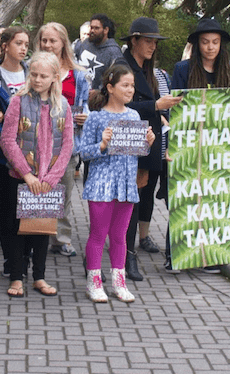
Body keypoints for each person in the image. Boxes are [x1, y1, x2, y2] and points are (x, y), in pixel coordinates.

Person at [0, 52, 74, 298]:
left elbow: (67, 145)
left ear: (55, 77)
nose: (38, 80)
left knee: (43, 229)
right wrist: (27, 174)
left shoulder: (63, 106)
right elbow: (7, 140)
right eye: (34, 74)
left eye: (43, 76)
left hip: (47, 181)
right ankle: (16, 276)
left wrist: (52, 177)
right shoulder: (18, 102)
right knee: (18, 228)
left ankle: (39, 277)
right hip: (21, 178)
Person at [80, 64, 155, 303]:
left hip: (126, 185)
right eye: (125, 85)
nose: (130, 90)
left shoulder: (134, 116)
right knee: (98, 234)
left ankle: (119, 283)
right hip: (101, 185)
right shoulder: (96, 118)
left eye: (132, 85)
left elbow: (136, 152)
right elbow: (84, 153)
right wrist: (101, 145)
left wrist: (148, 144)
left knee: (120, 236)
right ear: (110, 87)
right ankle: (93, 282)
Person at [171, 17, 230, 274]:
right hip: (190, 142)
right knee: (187, 198)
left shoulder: (229, 69)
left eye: (215, 42)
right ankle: (176, 253)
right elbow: (176, 105)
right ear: (197, 44)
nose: (210, 47)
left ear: (221, 44)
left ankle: (212, 254)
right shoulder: (183, 69)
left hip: (219, 145)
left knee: (216, 200)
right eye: (205, 42)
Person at [119, 17, 182, 280]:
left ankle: (125, 255)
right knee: (127, 206)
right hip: (129, 147)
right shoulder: (122, 67)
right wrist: (155, 106)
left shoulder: (147, 70)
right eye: (148, 41)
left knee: (137, 203)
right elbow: (117, 105)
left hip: (148, 144)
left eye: (155, 42)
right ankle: (125, 257)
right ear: (133, 40)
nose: (152, 46)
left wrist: (162, 116)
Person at [35, 22, 89, 258]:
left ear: (63, 43)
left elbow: (84, 103)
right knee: (36, 192)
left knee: (64, 194)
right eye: (44, 40)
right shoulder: (32, 68)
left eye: (52, 41)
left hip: (67, 144)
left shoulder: (77, 74)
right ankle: (35, 236)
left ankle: (61, 239)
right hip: (36, 142)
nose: (48, 45)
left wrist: (85, 116)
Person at [0, 26, 30, 278]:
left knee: (26, 206)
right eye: (18, 43)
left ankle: (24, 255)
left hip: (31, 153)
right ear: (5, 46)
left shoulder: (31, 73)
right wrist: (6, 126)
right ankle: (10, 257)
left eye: (26, 44)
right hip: (1, 154)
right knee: (7, 206)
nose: (23, 48)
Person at [74, 14, 124, 88]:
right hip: (78, 90)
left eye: (96, 28)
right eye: (91, 27)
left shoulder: (113, 51)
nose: (92, 31)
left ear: (105, 30)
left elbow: (118, 78)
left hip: (98, 93)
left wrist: (101, 91)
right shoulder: (85, 43)